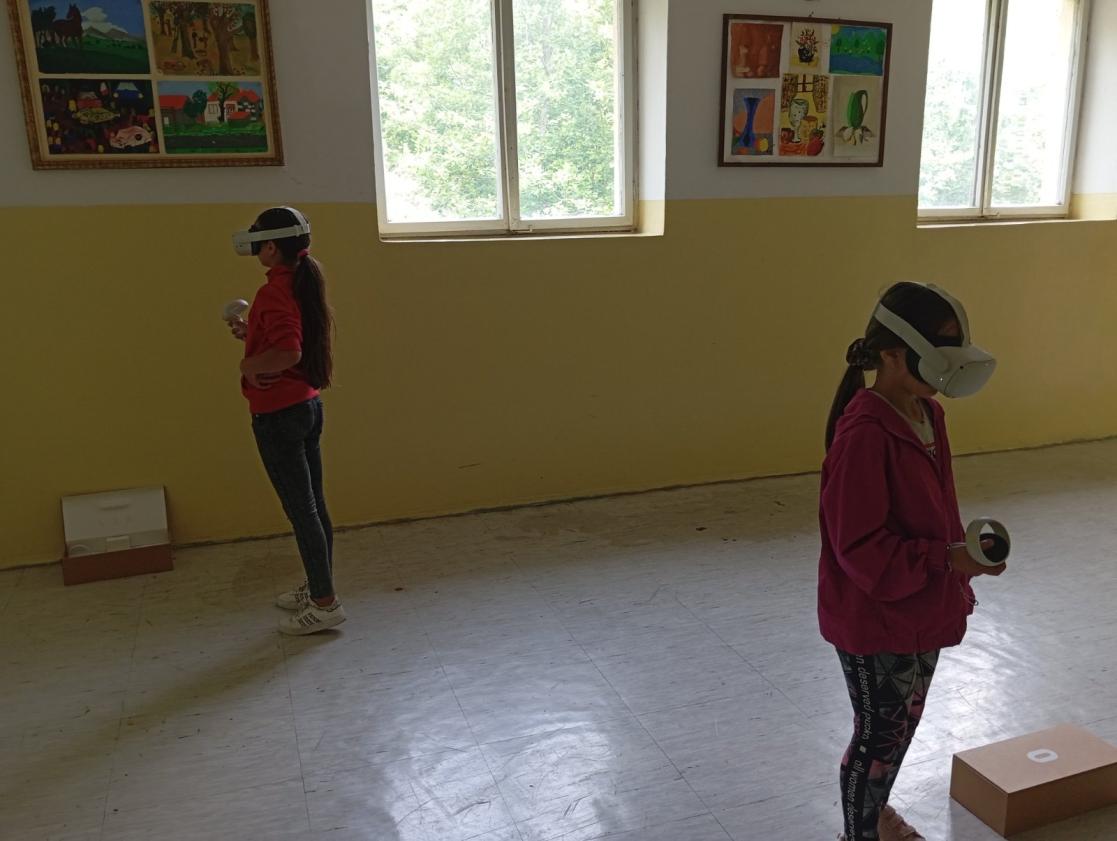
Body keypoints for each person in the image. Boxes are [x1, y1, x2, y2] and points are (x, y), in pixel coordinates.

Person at [819, 282, 1005, 840]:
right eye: (936, 358)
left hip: (921, 606)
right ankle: (860, 832)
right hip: (876, 619)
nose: (947, 376)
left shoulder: (927, 413)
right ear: (893, 354)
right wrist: (946, 559)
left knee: (902, 724)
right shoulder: (864, 434)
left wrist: (960, 559)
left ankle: (876, 816)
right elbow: (860, 551)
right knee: (879, 735)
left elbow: (936, 508)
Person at [228, 207, 345, 635]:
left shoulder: (274, 292)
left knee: (302, 511)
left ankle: (325, 603)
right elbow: (286, 338)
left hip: (279, 414)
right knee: (314, 506)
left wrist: (248, 365)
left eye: (260, 239)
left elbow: (290, 351)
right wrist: (252, 336)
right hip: (307, 406)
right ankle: (319, 585)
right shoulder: (298, 281)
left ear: (272, 247)